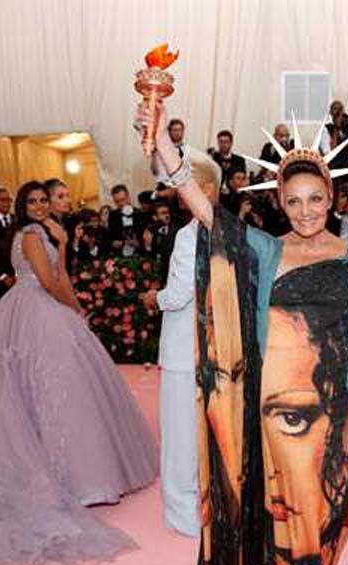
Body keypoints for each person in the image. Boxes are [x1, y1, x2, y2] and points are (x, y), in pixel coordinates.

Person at [120, 104, 348, 565]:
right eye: (295, 201)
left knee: (322, 512)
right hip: (268, 406)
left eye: (315, 200)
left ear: (331, 199)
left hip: (330, 406)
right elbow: (203, 206)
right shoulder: (266, 250)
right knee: (277, 507)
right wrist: (162, 143)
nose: (306, 211)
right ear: (279, 201)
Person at [0, 181, 158, 565]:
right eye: (33, 201)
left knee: (42, 391)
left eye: (44, 200)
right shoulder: (32, 234)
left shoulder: (42, 232)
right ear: (23, 205)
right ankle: (73, 479)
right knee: (55, 391)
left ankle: (71, 474)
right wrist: (74, 309)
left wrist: (64, 243)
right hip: (38, 313)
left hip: (33, 309)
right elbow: (50, 283)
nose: (40, 205)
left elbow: (58, 275)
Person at [142, 149, 222, 537]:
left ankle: (182, 514)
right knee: (204, 431)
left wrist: (152, 298)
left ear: (204, 189)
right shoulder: (227, 230)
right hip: (216, 347)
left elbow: (177, 294)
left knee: (179, 436)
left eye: (182, 183)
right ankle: (202, 507)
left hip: (182, 349)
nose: (176, 192)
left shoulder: (189, 235)